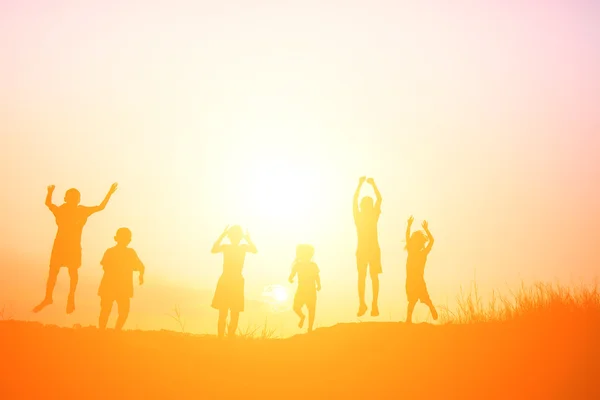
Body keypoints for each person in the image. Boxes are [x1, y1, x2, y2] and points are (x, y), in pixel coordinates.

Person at [34, 183, 118, 314]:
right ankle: (48, 297)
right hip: (60, 245)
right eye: (71, 196)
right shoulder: (62, 209)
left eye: (76, 197)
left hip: (72, 246)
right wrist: (50, 192)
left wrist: (109, 193)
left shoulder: (81, 210)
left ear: (78, 199)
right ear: (66, 198)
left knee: (72, 272)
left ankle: (70, 297)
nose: (73, 199)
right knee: (53, 272)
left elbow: (101, 207)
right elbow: (48, 203)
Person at [211, 225, 257, 338]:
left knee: (229, 312)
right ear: (231, 237)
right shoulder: (239, 247)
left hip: (230, 281)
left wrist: (222, 236)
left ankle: (225, 336)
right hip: (231, 281)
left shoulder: (235, 247)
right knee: (228, 312)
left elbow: (255, 251)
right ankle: (225, 337)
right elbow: (254, 250)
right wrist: (247, 239)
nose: (235, 238)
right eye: (233, 235)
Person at [98, 228, 145, 331]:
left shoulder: (130, 253)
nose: (126, 240)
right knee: (106, 310)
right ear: (117, 238)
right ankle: (103, 331)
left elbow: (141, 266)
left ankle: (115, 331)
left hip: (119, 287)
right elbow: (105, 266)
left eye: (127, 238)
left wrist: (141, 275)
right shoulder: (111, 251)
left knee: (122, 311)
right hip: (111, 286)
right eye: (124, 238)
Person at [353, 176, 383, 317]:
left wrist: (371, 184)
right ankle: (364, 304)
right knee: (364, 277)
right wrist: (363, 185)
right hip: (365, 250)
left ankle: (373, 305)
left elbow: (379, 199)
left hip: (372, 250)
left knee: (371, 277)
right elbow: (355, 201)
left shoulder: (371, 216)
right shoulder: (362, 216)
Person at [405, 216, 438, 323]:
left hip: (417, 281)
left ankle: (431, 308)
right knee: (412, 301)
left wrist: (426, 229)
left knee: (422, 299)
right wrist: (409, 226)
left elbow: (432, 241)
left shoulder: (422, 253)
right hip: (411, 280)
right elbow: (407, 238)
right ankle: (408, 319)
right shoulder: (412, 251)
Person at [288, 244, 321, 332]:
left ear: (310, 255)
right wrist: (290, 279)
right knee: (296, 307)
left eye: (309, 255)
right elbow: (291, 275)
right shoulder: (297, 265)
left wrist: (319, 285)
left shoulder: (313, 265)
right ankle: (302, 317)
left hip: (311, 289)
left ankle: (310, 328)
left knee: (311, 309)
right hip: (301, 289)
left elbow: (317, 276)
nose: (307, 257)